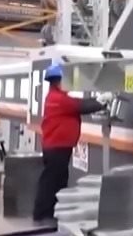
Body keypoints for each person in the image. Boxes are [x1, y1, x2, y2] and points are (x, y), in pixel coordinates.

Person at [33, 64, 108, 222]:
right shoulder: (58, 99)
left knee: (57, 179)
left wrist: (97, 99)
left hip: (57, 146)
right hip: (57, 147)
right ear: (58, 81)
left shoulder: (55, 96)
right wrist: (101, 101)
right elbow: (80, 106)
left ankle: (52, 212)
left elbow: (77, 102)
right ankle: (42, 213)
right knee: (51, 181)